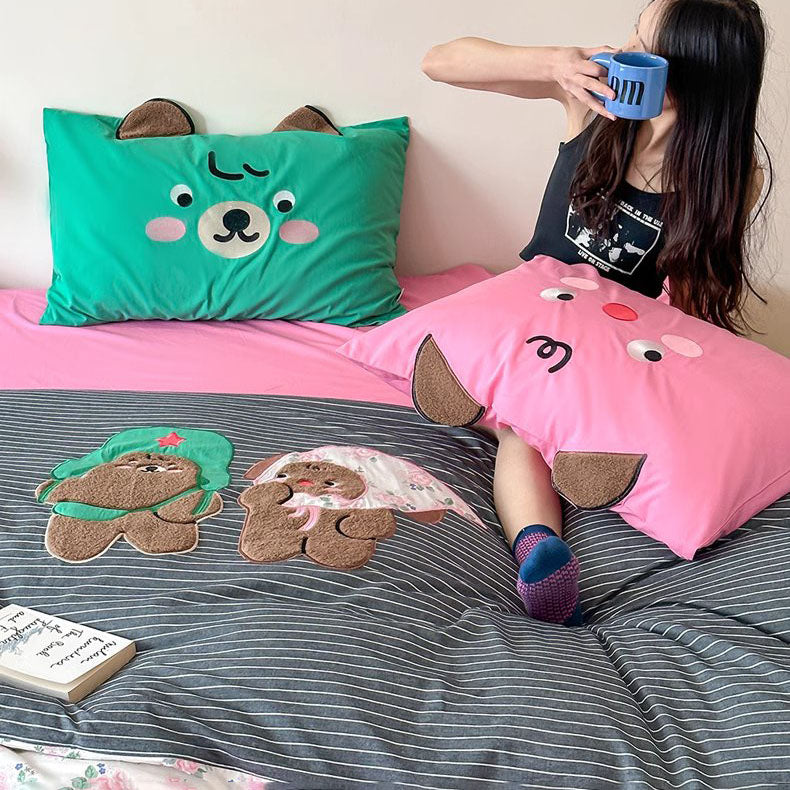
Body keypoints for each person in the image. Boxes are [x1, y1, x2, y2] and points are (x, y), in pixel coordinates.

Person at [421, 0, 773, 626]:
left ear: (691, 72)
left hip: (612, 343)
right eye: (631, 34)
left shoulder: (728, 174)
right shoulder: (590, 103)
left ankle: (574, 474)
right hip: (524, 315)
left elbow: (689, 308)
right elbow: (440, 61)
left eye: (644, 45)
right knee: (523, 421)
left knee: (578, 414)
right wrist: (554, 62)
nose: (623, 50)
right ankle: (537, 544)